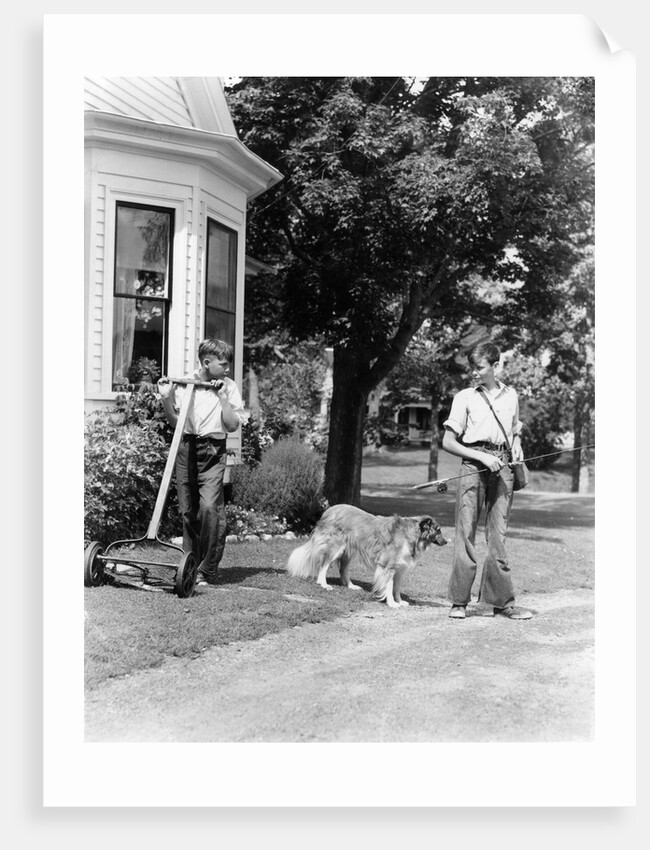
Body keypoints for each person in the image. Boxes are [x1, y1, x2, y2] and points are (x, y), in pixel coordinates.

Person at [441, 340, 532, 620]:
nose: (474, 372)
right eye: (472, 367)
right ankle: (459, 602)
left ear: (495, 366)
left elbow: (515, 430)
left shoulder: (511, 396)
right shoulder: (464, 397)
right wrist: (481, 458)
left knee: (498, 536)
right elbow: (448, 442)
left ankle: (502, 602)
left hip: (503, 467)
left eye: (479, 367)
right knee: (465, 533)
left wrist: (516, 444)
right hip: (473, 465)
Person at [157, 338, 246, 587]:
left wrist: (223, 397)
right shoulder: (186, 385)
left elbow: (231, 425)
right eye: (223, 364)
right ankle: (190, 566)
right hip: (187, 445)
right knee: (188, 510)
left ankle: (208, 569)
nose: (228, 369)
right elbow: (176, 423)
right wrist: (166, 398)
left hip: (213, 449)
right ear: (207, 363)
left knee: (210, 507)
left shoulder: (229, 386)